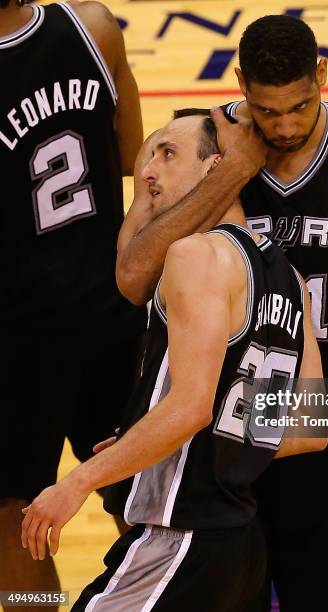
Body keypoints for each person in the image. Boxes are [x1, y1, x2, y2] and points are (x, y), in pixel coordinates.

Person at [114, 16, 328, 612]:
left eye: (299, 108)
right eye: (267, 111)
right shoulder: (194, 144)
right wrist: (230, 172)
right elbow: (132, 277)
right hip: (213, 420)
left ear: (323, 76)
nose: (283, 126)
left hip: (320, 406)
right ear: (239, 85)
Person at [21, 110, 326, 612]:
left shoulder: (194, 255)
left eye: (169, 153)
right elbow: (310, 427)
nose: (148, 170)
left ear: (216, 168)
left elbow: (190, 408)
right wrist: (161, 442)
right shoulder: (288, 278)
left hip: (180, 540)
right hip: (241, 549)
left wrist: (78, 480)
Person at [0, 0, 146, 603]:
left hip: (16, 336)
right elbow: (137, 153)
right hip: (112, 313)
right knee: (142, 501)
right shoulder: (95, 28)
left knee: (14, 517)